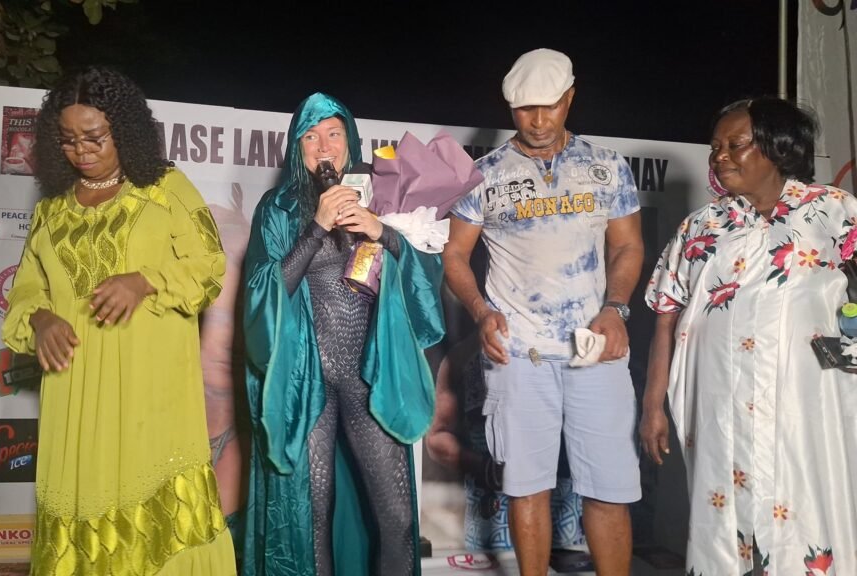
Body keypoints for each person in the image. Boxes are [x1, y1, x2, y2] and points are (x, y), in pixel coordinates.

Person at [1, 66, 234, 575]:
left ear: (123, 131)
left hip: (151, 387)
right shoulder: (51, 213)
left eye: (94, 137)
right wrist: (40, 319)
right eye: (67, 140)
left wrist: (144, 280)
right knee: (80, 500)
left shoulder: (164, 189)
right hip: (75, 390)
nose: (81, 150)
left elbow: (209, 265)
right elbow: (25, 291)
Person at [443, 48, 643, 576]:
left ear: (569, 99)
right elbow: (455, 257)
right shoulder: (482, 174)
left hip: (594, 348)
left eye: (549, 107)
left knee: (609, 485)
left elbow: (628, 247)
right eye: (524, 110)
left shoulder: (606, 167)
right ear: (510, 110)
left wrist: (616, 309)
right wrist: (483, 313)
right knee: (526, 483)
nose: (537, 121)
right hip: (520, 352)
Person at [641, 97, 857, 574]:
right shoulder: (702, 226)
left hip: (807, 398)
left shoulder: (832, 210)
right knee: (723, 510)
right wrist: (652, 405)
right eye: (715, 146)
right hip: (720, 400)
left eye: (735, 144)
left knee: (805, 504)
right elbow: (665, 312)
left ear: (776, 148)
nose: (720, 156)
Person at [242, 92, 445, 576]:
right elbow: (262, 294)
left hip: (368, 378)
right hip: (306, 380)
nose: (323, 146)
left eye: (333, 133)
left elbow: (424, 286)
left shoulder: (383, 193)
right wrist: (316, 228)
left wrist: (385, 233)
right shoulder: (279, 207)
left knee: (395, 518)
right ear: (297, 148)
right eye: (310, 137)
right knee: (311, 519)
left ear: (350, 139)